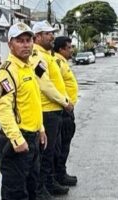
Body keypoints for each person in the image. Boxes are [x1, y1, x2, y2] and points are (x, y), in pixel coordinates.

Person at [0, 22, 51, 200]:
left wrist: (41, 128)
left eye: (29, 40)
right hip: (16, 141)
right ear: (10, 44)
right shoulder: (7, 72)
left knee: (30, 185)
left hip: (33, 136)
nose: (26, 44)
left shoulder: (29, 67)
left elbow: (33, 104)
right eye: (20, 40)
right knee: (14, 191)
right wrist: (16, 138)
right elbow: (3, 109)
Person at [30, 21, 74, 200]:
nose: (52, 37)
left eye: (52, 33)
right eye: (48, 33)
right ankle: (41, 191)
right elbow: (45, 85)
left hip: (54, 111)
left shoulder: (47, 56)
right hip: (47, 111)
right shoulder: (37, 57)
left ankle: (49, 184)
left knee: (52, 153)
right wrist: (64, 101)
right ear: (38, 36)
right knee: (46, 154)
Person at [53, 36, 78, 186]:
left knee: (64, 144)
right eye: (69, 47)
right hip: (62, 109)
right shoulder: (56, 62)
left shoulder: (61, 62)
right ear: (61, 49)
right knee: (61, 146)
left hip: (66, 108)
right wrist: (66, 103)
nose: (71, 50)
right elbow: (55, 86)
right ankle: (59, 175)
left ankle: (61, 172)